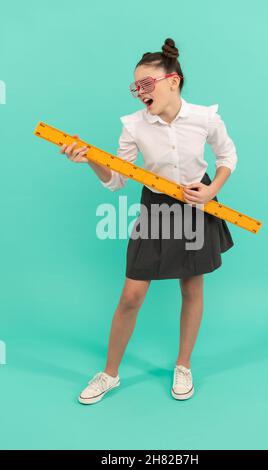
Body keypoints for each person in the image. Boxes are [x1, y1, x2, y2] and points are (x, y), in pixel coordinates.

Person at [60, 38, 238, 405]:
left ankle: (183, 365)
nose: (140, 93)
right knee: (132, 295)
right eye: (135, 87)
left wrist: (211, 190)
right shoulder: (133, 126)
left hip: (196, 202)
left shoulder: (206, 117)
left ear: (173, 80)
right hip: (155, 207)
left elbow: (227, 155)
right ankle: (109, 373)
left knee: (192, 288)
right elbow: (116, 179)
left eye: (147, 84)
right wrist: (89, 158)